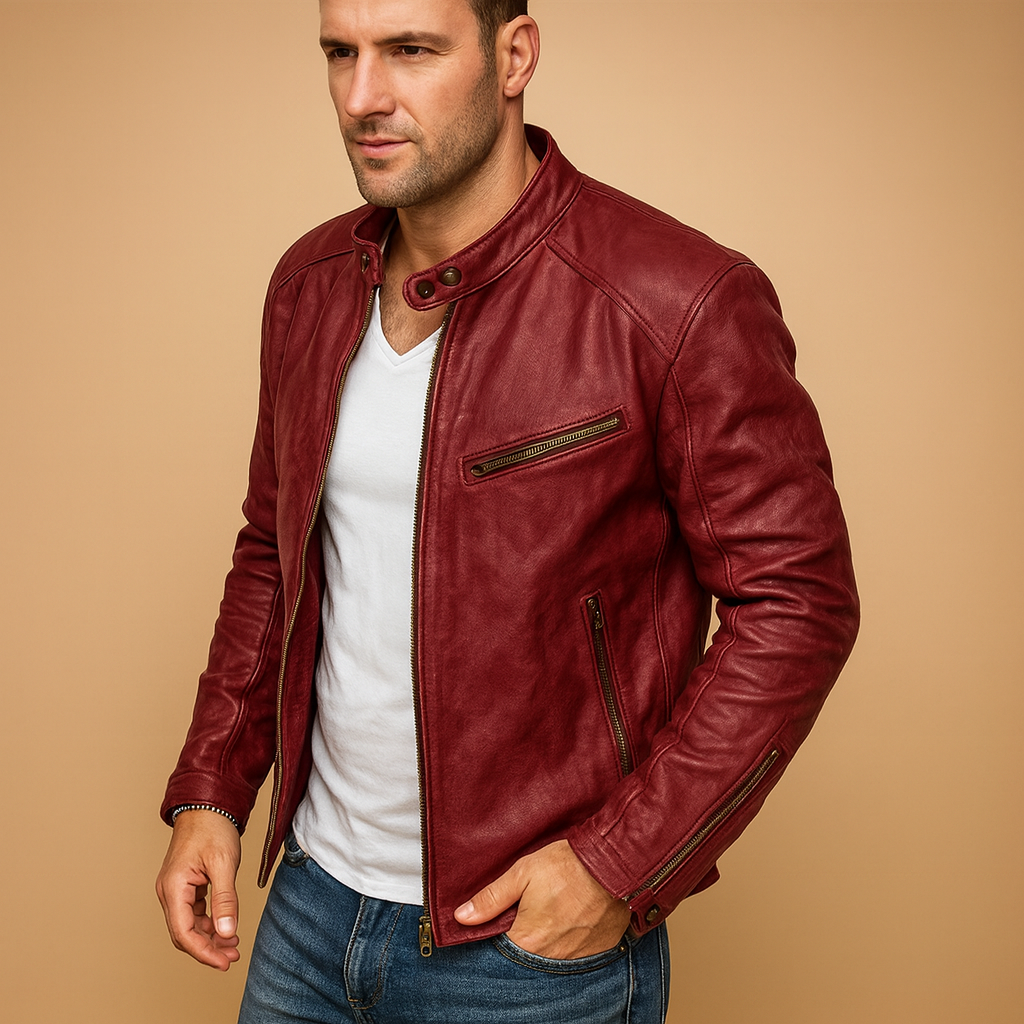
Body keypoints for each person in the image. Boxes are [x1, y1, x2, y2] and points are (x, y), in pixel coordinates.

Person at [156, 1, 859, 1021]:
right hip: (308, 907)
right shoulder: (309, 285)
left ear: (514, 55)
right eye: (341, 54)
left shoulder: (674, 298)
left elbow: (798, 604)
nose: (363, 96)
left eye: (410, 50)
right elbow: (276, 549)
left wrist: (618, 864)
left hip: (522, 956)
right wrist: (212, 789)